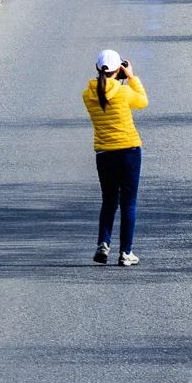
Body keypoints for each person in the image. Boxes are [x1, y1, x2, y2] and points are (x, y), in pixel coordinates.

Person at [82, 49, 148, 267]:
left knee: (109, 201)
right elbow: (142, 102)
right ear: (118, 69)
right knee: (128, 203)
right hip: (129, 150)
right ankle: (126, 253)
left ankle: (103, 243)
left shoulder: (88, 95)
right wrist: (131, 77)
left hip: (104, 154)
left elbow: (103, 89)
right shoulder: (122, 92)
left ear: (97, 68)